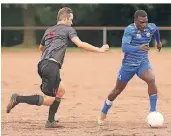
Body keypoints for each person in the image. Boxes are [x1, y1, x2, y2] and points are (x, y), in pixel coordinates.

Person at [6, 7, 109, 128]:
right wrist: (99, 50)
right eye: (71, 19)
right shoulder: (68, 29)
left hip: (43, 64)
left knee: (60, 90)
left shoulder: (49, 30)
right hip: (51, 65)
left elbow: (41, 48)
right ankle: (18, 98)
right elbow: (80, 44)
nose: (72, 22)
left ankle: (50, 121)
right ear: (65, 18)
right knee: (49, 100)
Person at [97, 10, 162, 125]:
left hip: (142, 63)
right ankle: (104, 110)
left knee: (151, 79)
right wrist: (139, 47)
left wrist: (158, 42)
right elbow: (125, 48)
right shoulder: (129, 30)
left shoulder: (150, 27)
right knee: (117, 90)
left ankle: (152, 112)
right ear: (135, 20)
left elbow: (156, 30)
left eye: (146, 22)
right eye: (141, 22)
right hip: (128, 65)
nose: (144, 25)